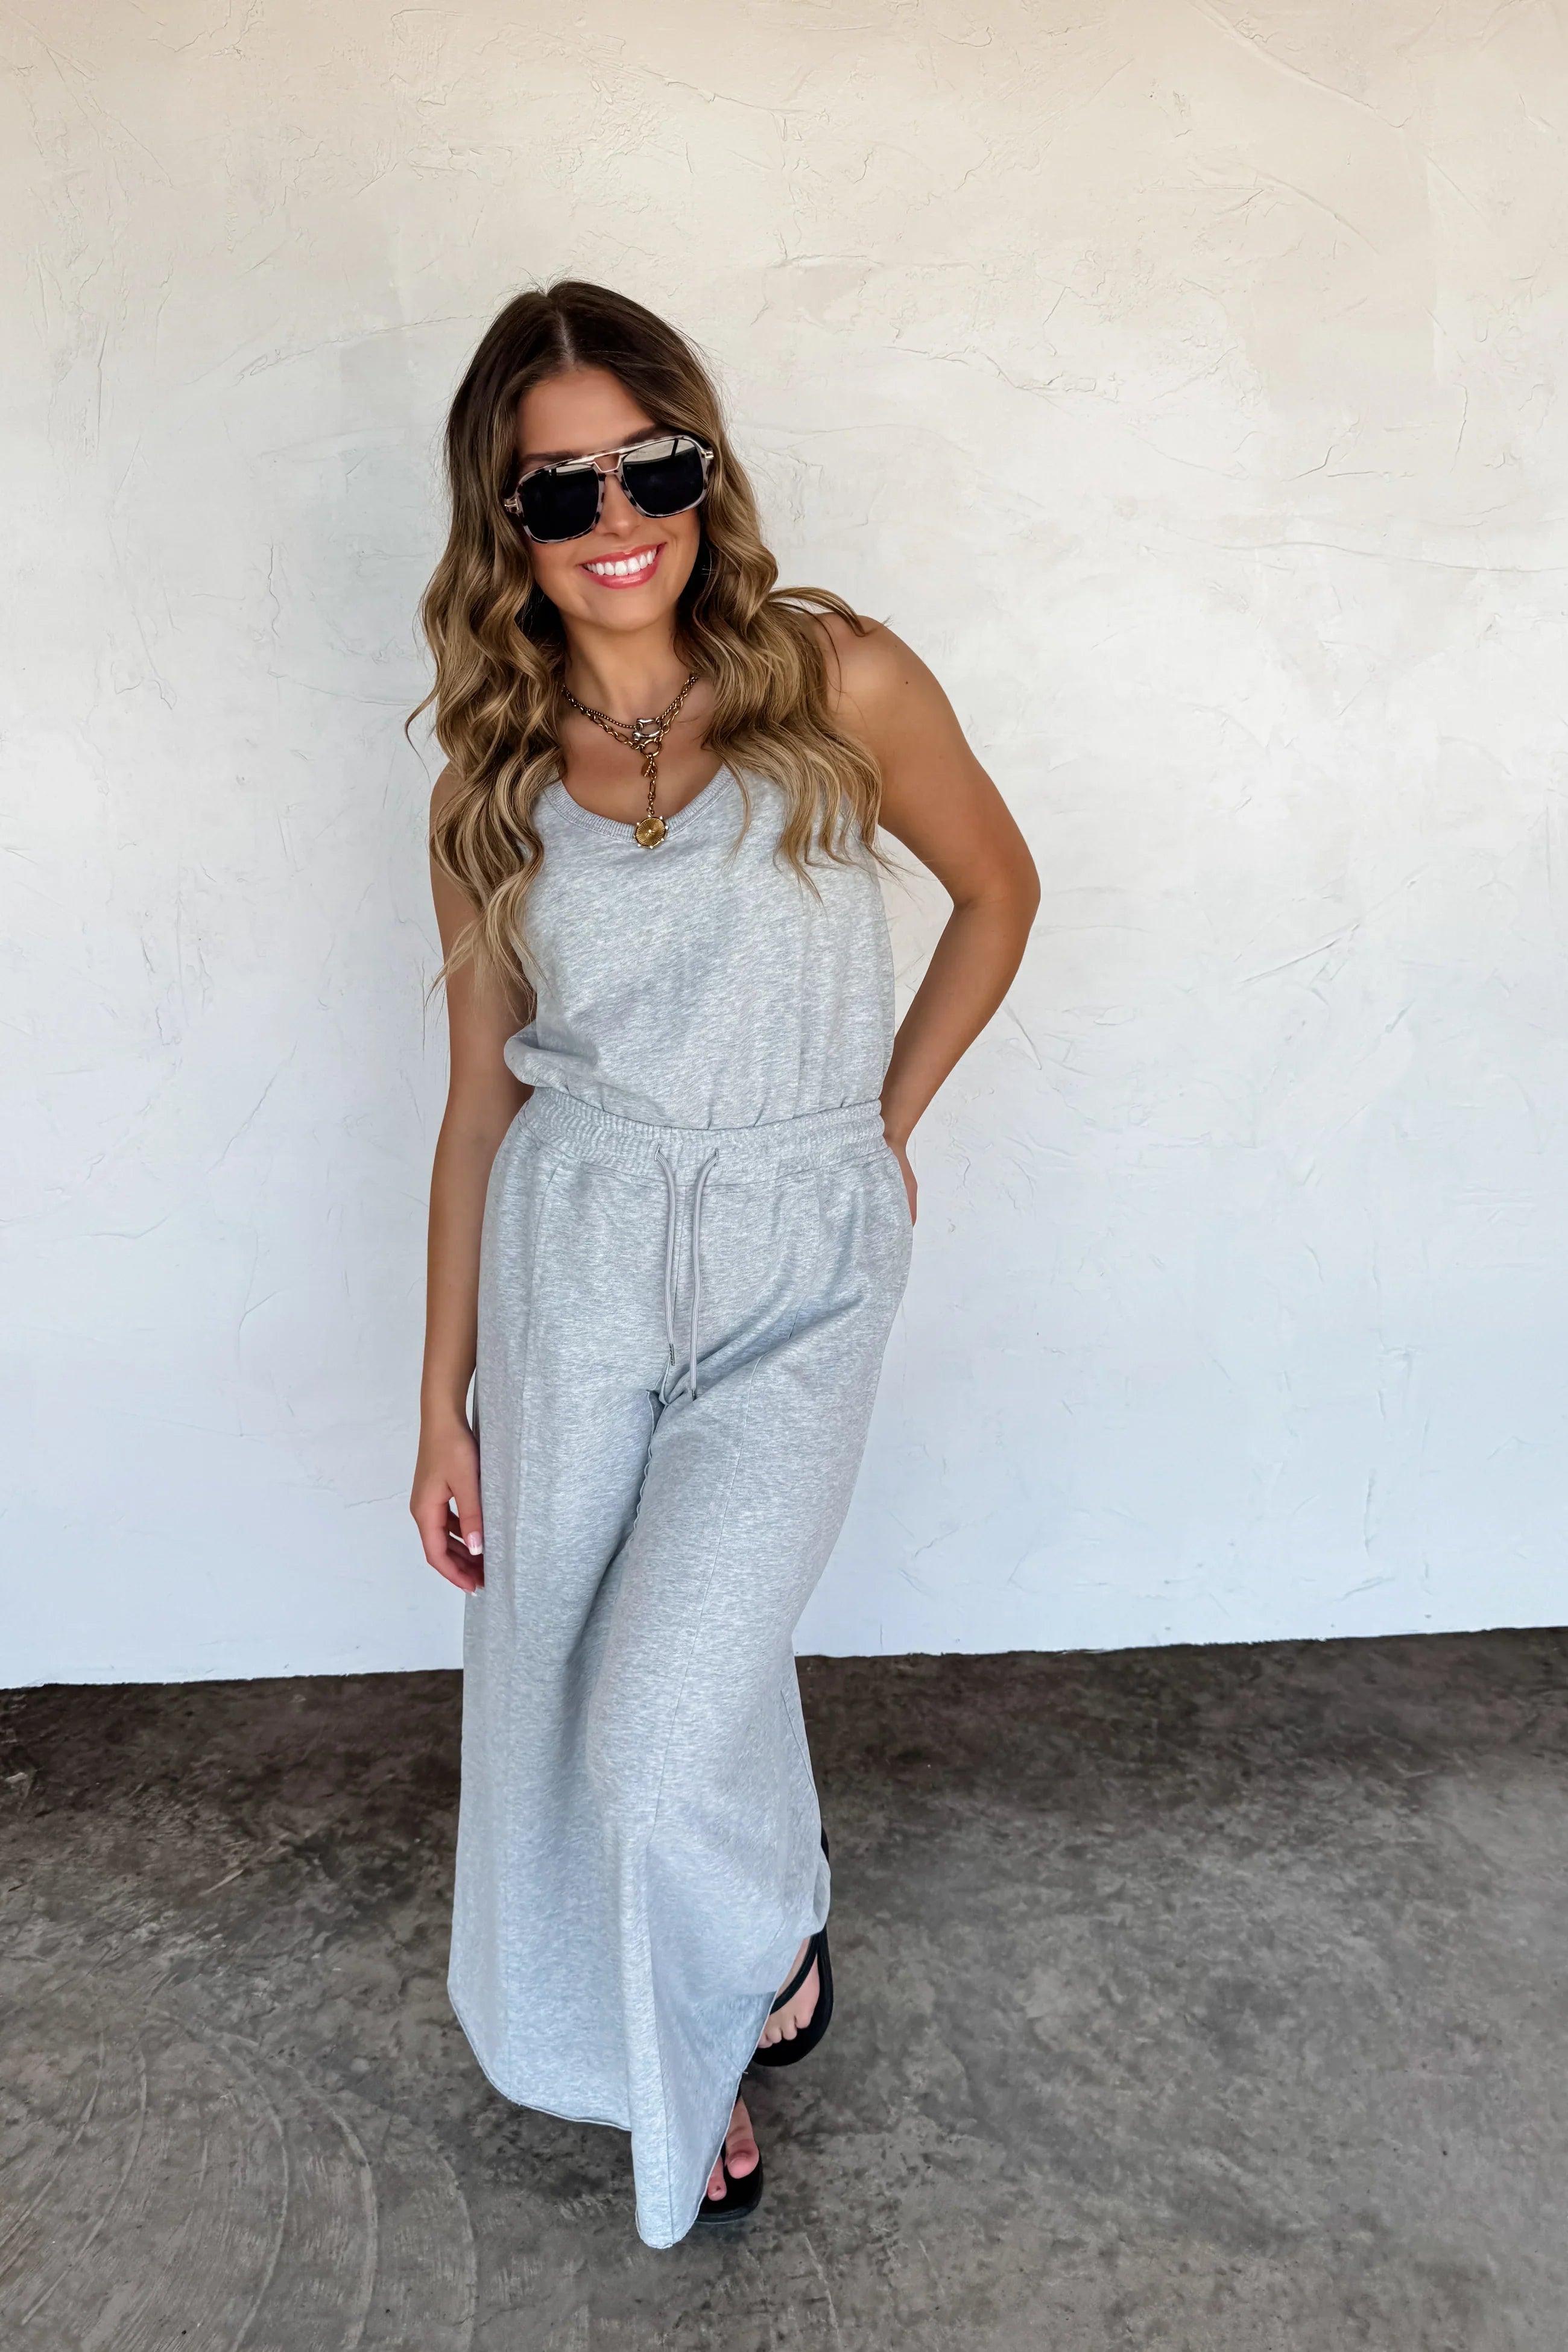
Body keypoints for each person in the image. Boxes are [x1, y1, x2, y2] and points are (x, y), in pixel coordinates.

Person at [409, 280, 1038, 2248]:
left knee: (665, 1707)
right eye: (559, 487)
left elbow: (999, 890)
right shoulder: (491, 780)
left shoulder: (838, 678)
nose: (616, 516)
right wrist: (438, 1401)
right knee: (567, 1676)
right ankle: (707, 2017)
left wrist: (880, 1120)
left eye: (650, 465)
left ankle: (744, 1952)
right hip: (575, 1254)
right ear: (504, 521)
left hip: (796, 1257)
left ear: (703, 468)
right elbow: (478, 1103)